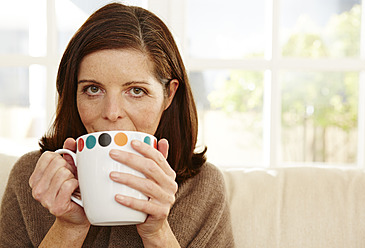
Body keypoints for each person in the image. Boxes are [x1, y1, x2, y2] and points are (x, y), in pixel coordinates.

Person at [0, 3, 234, 247]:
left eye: (136, 91)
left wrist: (158, 232)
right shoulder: (31, 178)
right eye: (93, 89)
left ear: (169, 95)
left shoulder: (203, 189)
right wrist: (69, 227)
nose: (111, 113)